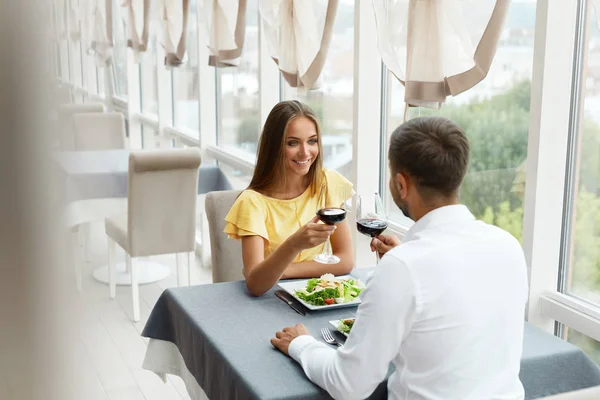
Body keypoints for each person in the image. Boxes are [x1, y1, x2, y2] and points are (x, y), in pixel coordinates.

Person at [271, 116, 529, 400]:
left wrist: (301, 344)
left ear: (401, 185)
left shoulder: (402, 268)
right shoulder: (508, 246)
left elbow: (349, 385)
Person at [224, 100, 354, 297]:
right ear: (274, 147)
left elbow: (345, 260)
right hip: (272, 301)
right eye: (292, 143)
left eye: (312, 141)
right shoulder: (252, 202)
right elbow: (256, 284)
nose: (305, 152)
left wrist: (283, 271)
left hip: (320, 296)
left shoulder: (327, 183)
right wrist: (294, 244)